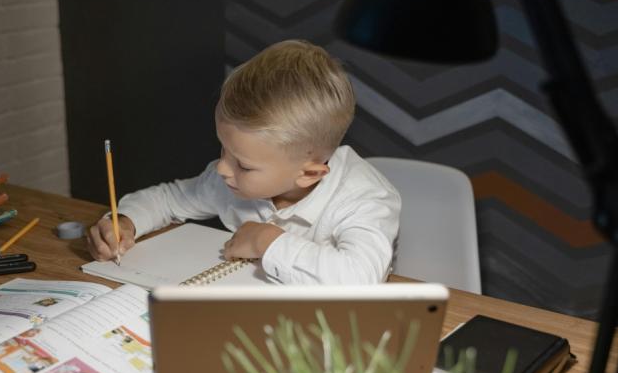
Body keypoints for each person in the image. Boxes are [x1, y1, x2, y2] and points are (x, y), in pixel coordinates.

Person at [87, 40, 401, 284]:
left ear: (308, 174)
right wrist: (126, 221)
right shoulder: (229, 179)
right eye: (223, 149)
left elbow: (361, 279)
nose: (222, 167)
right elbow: (168, 199)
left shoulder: (365, 199)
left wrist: (268, 242)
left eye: (244, 165)